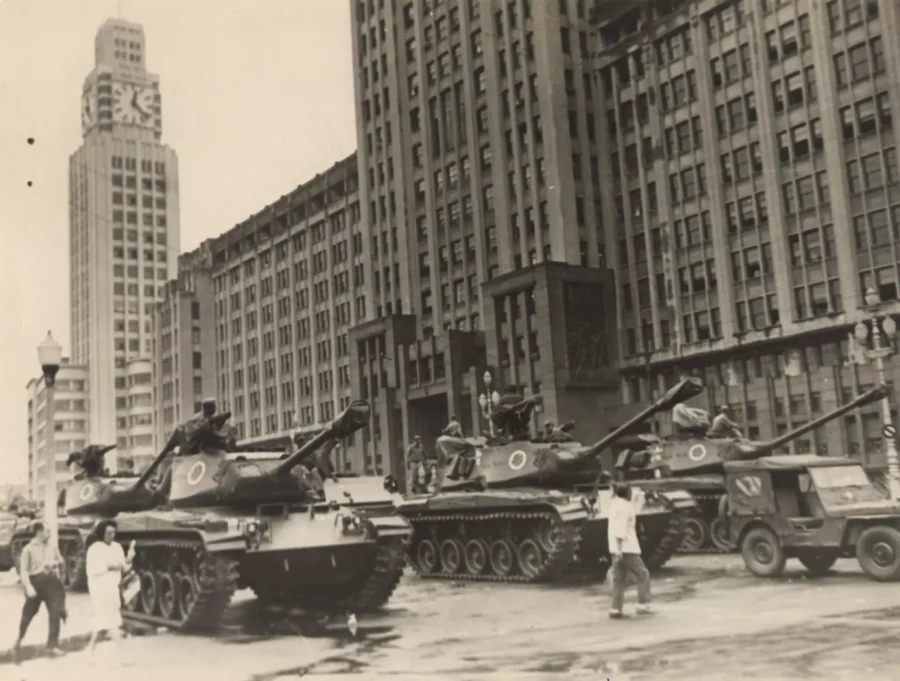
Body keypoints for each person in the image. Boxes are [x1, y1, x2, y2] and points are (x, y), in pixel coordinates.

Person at [13, 521, 67, 658]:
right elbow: (23, 571)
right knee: (28, 614)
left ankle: (52, 645)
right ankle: (19, 637)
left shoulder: (52, 546)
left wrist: (57, 564)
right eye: (47, 531)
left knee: (55, 613)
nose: (49, 533)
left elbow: (61, 561)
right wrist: (29, 586)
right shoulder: (28, 549)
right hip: (35, 582)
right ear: (39, 532)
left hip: (51, 582)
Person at [85, 519, 133, 661]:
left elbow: (124, 567)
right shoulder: (94, 549)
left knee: (102, 623)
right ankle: (123, 654)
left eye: (113, 532)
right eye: (108, 533)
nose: (112, 535)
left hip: (112, 588)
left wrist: (130, 559)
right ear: (101, 533)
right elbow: (91, 571)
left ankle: (89, 652)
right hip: (99, 589)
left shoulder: (117, 547)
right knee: (110, 622)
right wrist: (111, 567)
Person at [607, 483, 653, 619]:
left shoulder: (615, 505)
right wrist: (620, 550)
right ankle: (643, 604)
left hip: (615, 547)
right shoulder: (625, 507)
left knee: (619, 579)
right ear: (626, 493)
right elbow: (620, 529)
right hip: (626, 548)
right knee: (643, 574)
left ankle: (615, 609)